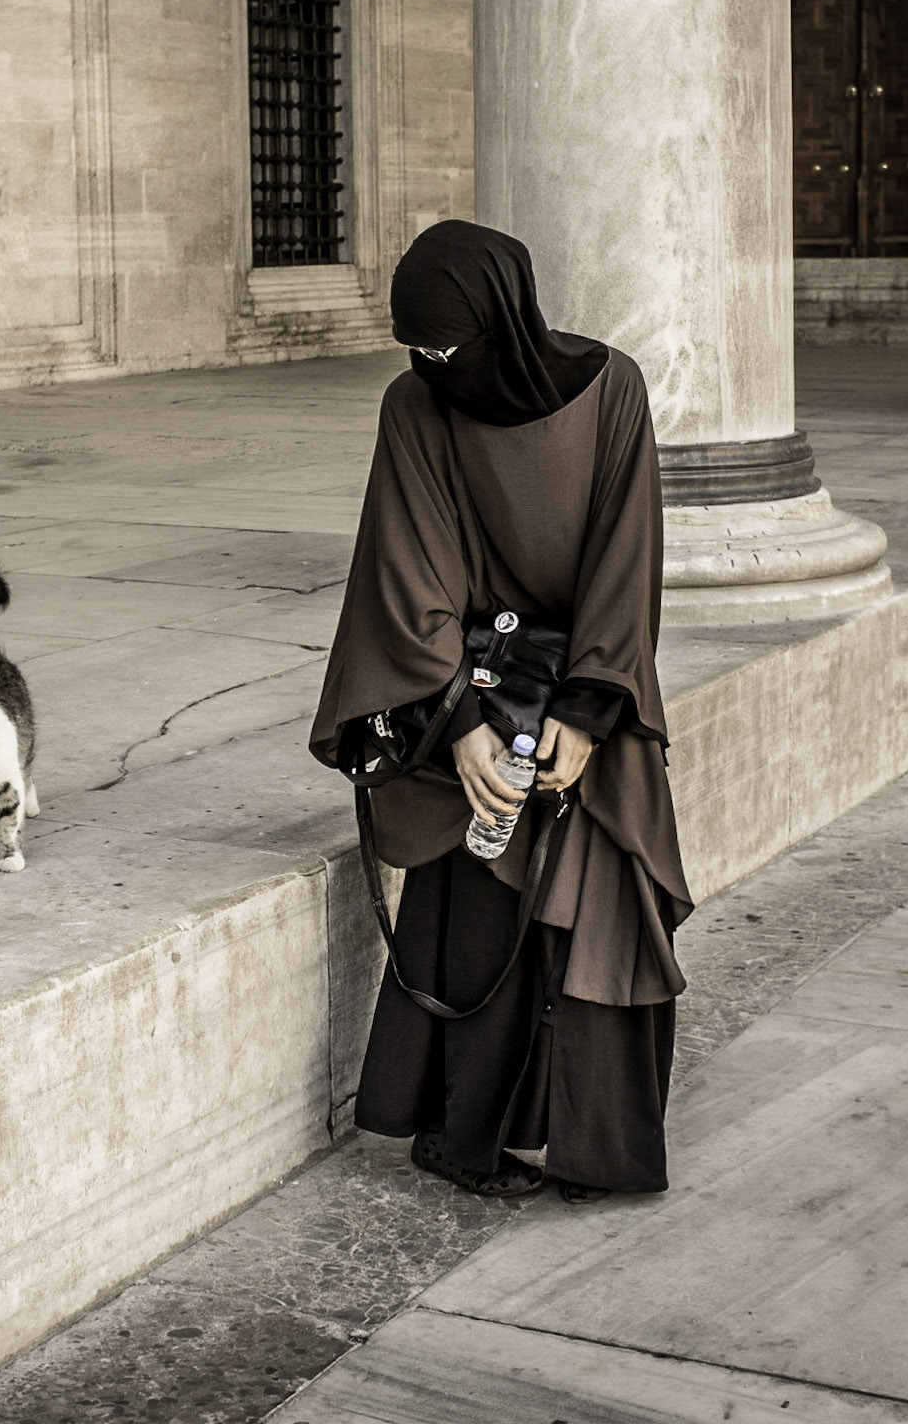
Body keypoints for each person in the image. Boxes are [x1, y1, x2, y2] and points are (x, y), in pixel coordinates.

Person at [309, 219, 691, 1201]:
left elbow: (626, 557)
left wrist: (590, 708)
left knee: (596, 874)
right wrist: (460, 716)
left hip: (583, 684)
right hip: (469, 693)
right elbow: (407, 569)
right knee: (479, 868)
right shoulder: (415, 406)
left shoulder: (612, 390)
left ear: (506, 319)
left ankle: (573, 1136)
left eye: (450, 346)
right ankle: (469, 1132)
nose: (438, 368)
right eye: (418, 350)